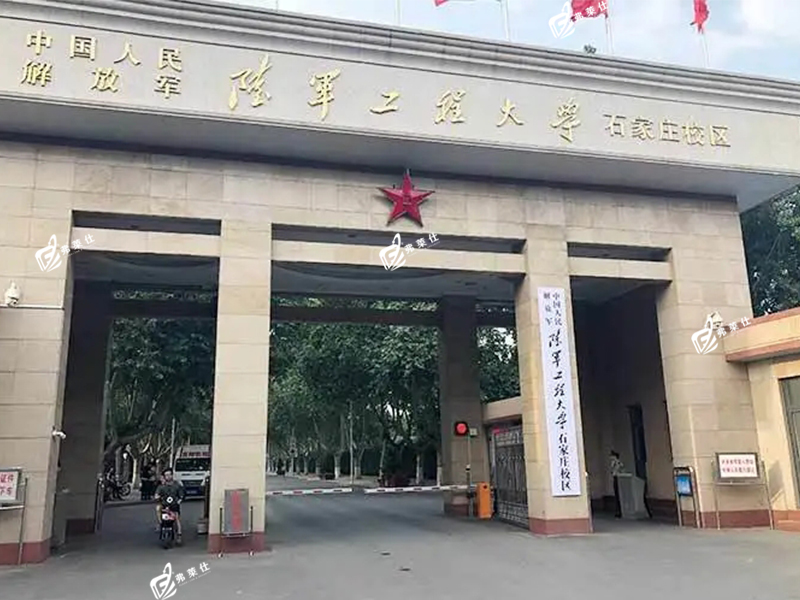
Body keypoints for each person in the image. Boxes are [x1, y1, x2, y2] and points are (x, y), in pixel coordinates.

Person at [155, 468, 185, 544]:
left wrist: (178, 501)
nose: (168, 476)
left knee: (177, 518)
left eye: (169, 475)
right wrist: (157, 497)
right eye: (166, 475)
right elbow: (157, 495)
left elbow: (181, 496)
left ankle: (179, 535)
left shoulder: (177, 486)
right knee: (158, 508)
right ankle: (160, 523)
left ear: (172, 475)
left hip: (174, 506)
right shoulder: (161, 487)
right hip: (164, 505)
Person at [609, 451, 624, 518]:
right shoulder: (613, 463)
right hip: (615, 478)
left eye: (612, 456)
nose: (610, 457)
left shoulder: (618, 463)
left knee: (619, 495)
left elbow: (620, 469)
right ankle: (618, 511)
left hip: (618, 479)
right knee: (617, 495)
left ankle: (620, 511)